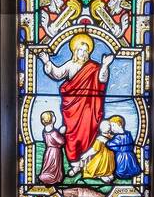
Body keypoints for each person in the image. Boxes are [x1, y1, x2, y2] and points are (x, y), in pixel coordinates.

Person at [37, 32, 114, 162]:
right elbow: (57, 73)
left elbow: (102, 79)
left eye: (86, 51)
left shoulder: (94, 67)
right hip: (72, 108)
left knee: (88, 130)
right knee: (71, 133)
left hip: (89, 105)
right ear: (75, 51)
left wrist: (105, 65)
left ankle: (88, 160)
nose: (83, 53)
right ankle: (74, 161)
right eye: (80, 50)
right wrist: (47, 62)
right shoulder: (70, 65)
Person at [78, 119, 115, 183]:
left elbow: (94, 150)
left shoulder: (105, 138)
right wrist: (86, 154)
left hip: (104, 158)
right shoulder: (105, 138)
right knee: (102, 167)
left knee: (101, 166)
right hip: (106, 157)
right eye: (108, 126)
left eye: (109, 125)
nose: (108, 127)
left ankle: (104, 175)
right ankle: (102, 176)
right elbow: (94, 149)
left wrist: (86, 154)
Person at [38, 110, 67, 186]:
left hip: (48, 151)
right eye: (53, 116)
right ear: (50, 119)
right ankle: (53, 179)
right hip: (55, 152)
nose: (54, 117)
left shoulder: (45, 131)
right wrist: (62, 133)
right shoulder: (54, 132)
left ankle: (48, 177)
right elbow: (62, 141)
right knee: (54, 166)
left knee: (48, 165)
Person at [107, 115, 140, 179]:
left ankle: (121, 175)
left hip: (121, 156)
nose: (111, 128)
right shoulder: (128, 134)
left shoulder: (118, 137)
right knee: (131, 168)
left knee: (121, 169)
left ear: (119, 125)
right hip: (130, 155)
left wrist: (107, 142)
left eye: (113, 125)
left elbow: (113, 146)